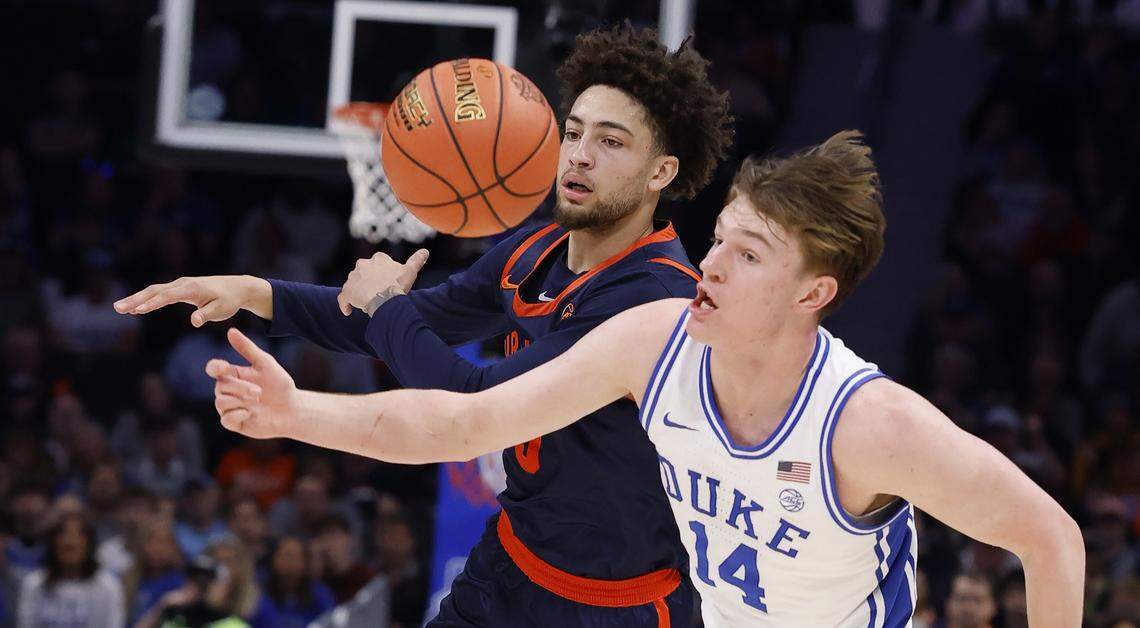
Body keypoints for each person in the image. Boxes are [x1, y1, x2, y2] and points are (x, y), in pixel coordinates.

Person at [205, 131, 1084, 626]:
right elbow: (467, 426)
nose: (712, 264)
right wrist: (298, 413)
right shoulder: (654, 339)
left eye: (749, 254)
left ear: (813, 293)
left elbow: (1051, 540)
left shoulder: (869, 427)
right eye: (719, 240)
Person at [116, 23, 732, 627]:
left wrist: (389, 308)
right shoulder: (532, 251)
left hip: (615, 606)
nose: (579, 155)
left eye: (612, 142)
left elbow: (471, 404)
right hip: (509, 567)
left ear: (662, 173)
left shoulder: (653, 298)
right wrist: (254, 292)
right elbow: (395, 328)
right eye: (573, 133)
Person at [16, 512, 124, 628]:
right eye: (63, 534)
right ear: (53, 544)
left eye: (79, 535)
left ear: (89, 545)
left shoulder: (107, 586)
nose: (70, 540)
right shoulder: (34, 584)